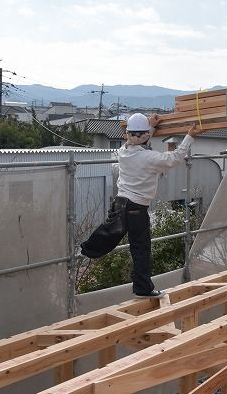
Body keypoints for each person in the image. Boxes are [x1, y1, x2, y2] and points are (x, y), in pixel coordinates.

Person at [80, 113, 201, 297]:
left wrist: (149, 128)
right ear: (144, 135)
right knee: (140, 248)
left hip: (120, 204)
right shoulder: (149, 157)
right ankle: (143, 288)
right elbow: (175, 157)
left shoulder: (123, 151)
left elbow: (138, 140)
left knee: (108, 234)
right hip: (136, 208)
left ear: (127, 134)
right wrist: (190, 136)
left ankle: (84, 250)